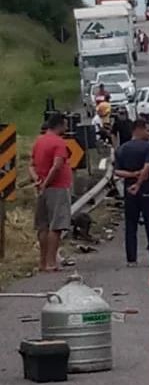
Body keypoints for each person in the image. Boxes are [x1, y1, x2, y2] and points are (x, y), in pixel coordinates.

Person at [30, 113, 72, 272]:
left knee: (43, 225)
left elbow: (31, 165)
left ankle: (42, 262)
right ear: (59, 125)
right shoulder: (59, 142)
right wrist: (47, 182)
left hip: (42, 188)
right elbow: (57, 166)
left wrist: (38, 180)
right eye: (65, 125)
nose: (67, 128)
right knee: (56, 226)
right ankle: (51, 262)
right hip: (57, 188)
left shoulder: (39, 141)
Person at [115, 119, 149, 266]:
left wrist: (132, 176)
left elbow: (117, 171)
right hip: (146, 189)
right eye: (147, 130)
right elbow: (147, 168)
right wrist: (139, 183)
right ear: (138, 130)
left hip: (129, 190)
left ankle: (131, 259)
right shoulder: (148, 147)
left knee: (130, 224)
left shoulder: (121, 149)